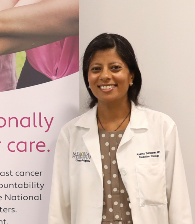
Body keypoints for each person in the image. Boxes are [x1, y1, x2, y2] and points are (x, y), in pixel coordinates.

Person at [48, 33, 192, 224]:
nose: (105, 76)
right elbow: (59, 209)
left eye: (115, 68)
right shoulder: (71, 134)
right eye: (96, 69)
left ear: (131, 76)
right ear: (88, 78)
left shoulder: (162, 128)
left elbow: (178, 204)